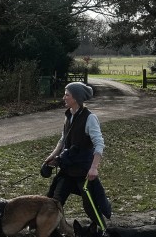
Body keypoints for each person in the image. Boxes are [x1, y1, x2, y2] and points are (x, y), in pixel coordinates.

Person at [41, 81, 111, 227]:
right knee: (54, 202)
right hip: (67, 170)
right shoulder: (68, 115)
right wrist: (52, 156)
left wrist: (94, 168)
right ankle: (48, 236)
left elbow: (99, 143)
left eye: (67, 95)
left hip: (83, 172)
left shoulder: (90, 118)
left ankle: (104, 233)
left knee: (90, 206)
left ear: (76, 98)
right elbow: (62, 140)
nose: (63, 97)